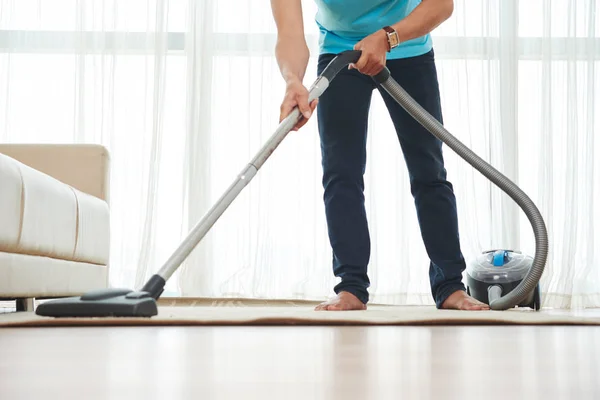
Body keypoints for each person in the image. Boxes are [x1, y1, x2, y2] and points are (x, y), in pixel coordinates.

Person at [270, 0, 490, 311]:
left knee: (428, 170)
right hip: (340, 53)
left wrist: (388, 37)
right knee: (340, 171)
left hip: (407, 47)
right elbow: (290, 33)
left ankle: (450, 285)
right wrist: (293, 80)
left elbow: (441, 5)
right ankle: (351, 288)